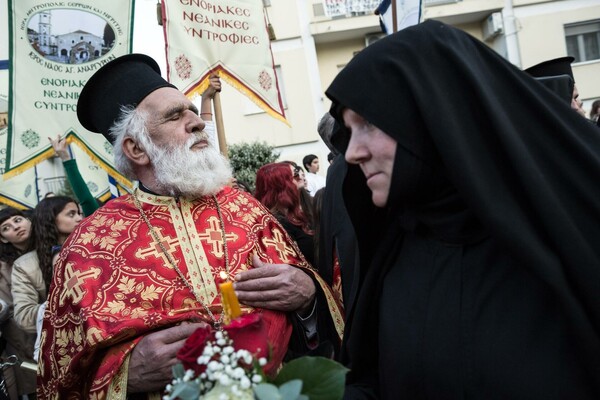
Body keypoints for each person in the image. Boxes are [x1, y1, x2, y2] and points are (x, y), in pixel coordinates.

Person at [38, 54, 343, 398]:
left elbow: (320, 305)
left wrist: (307, 297)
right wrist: (123, 375)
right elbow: (61, 375)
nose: (197, 122)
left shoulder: (245, 209)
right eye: (174, 116)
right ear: (137, 149)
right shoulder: (90, 245)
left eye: (193, 111)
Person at [326, 20, 600, 399]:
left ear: (433, 111)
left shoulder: (563, 227)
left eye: (369, 122)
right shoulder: (394, 250)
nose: (353, 152)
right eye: (349, 129)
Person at [0, 207, 36, 399]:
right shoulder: (4, 268)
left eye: (17, 220)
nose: (15, 227)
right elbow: (9, 311)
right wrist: (30, 347)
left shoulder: (55, 247)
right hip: (27, 346)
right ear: (3, 238)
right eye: (6, 227)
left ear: (28, 220)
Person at [255, 163, 316, 266]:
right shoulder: (274, 223)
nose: (300, 177)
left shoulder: (299, 212)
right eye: (295, 175)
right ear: (281, 184)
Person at [48, 135, 100, 216]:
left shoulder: (93, 222)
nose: (79, 219)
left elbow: (86, 201)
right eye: (71, 215)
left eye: (79, 213)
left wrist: (66, 158)